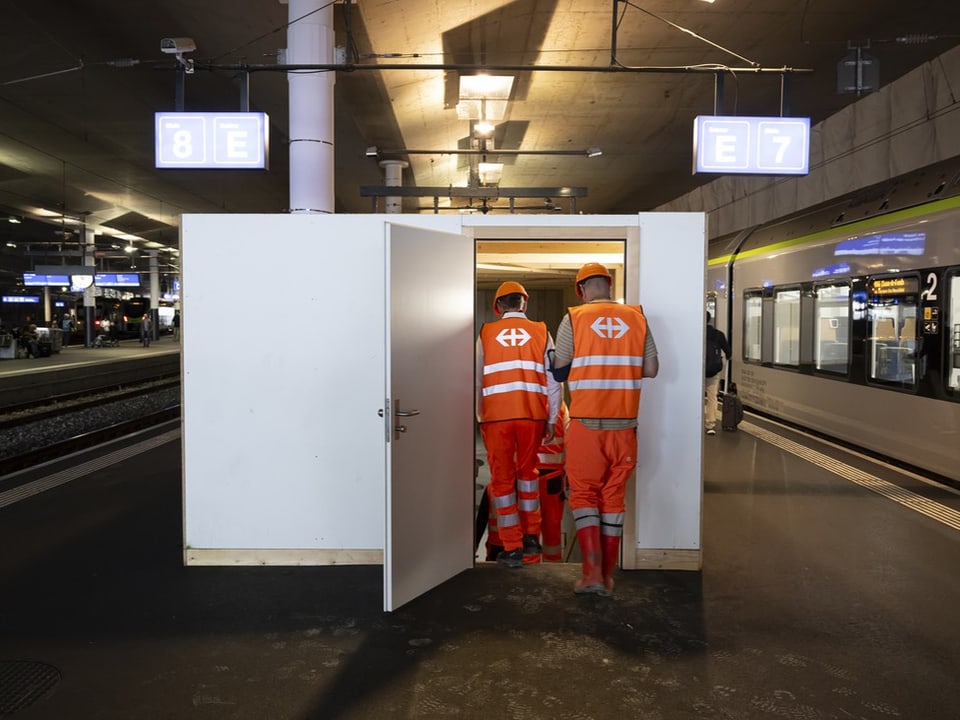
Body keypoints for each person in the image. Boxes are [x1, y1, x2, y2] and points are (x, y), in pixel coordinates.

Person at [551, 262, 660, 597]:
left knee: (583, 495)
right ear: (608, 285)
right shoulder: (638, 317)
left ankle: (591, 574)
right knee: (613, 496)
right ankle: (608, 578)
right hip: (625, 425)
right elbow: (652, 369)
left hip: (585, 424)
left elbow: (560, 370)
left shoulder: (574, 318)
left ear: (581, 290)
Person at [476, 281, 561, 568]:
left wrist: (479, 416)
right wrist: (551, 418)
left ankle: (512, 547)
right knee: (528, 475)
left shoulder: (485, 333)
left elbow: (476, 378)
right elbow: (553, 380)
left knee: (501, 480)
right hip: (532, 416)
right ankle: (530, 537)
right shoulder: (541, 331)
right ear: (525, 303)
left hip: (496, 418)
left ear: (497, 306)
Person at [479, 401, 569, 563]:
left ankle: (529, 564)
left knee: (525, 524)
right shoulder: (559, 405)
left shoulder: (511, 404)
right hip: (552, 478)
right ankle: (553, 565)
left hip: (520, 476)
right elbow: (569, 440)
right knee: (551, 530)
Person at [704, 311, 731, 435]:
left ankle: (694, 421)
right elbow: (728, 352)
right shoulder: (718, 335)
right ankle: (710, 424)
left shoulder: (696, 333)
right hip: (713, 370)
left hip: (697, 371)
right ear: (709, 320)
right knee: (712, 397)